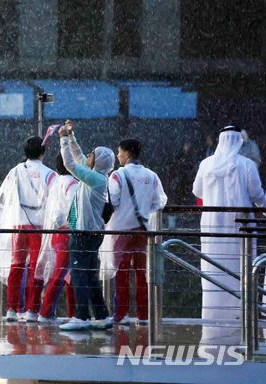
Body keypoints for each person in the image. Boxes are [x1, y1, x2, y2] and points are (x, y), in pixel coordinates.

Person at [193, 125, 266, 322]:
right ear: (239, 141)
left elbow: (197, 191)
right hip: (240, 225)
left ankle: (214, 312)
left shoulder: (206, 164)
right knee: (241, 266)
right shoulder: (247, 164)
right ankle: (240, 311)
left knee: (214, 267)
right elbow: (257, 195)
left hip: (212, 224)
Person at [100, 139, 167, 325]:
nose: (118, 156)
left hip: (120, 231)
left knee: (121, 274)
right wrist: (143, 211)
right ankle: (143, 316)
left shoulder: (117, 176)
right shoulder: (151, 176)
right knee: (142, 274)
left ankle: (121, 315)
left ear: (127, 154)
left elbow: (112, 200)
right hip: (143, 231)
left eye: (119, 152)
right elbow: (160, 202)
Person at [57, 120, 114, 331]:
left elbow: (70, 164)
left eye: (92, 155)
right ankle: (101, 315)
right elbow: (79, 157)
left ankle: (81, 316)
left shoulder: (95, 180)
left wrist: (62, 139)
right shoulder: (97, 177)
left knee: (80, 273)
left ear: (97, 161)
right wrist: (71, 137)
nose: (87, 156)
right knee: (89, 274)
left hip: (83, 233)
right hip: (91, 233)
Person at [0, 136, 56, 322]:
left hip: (18, 226)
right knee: (37, 268)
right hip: (40, 228)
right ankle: (32, 310)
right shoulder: (50, 174)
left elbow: (1, 198)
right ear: (43, 152)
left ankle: (11, 309)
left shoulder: (15, 171)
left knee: (16, 266)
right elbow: (56, 202)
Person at [35, 153, 77, 324]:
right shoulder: (73, 184)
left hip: (56, 234)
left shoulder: (56, 182)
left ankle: (72, 313)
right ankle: (46, 312)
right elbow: (74, 210)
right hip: (67, 233)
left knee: (66, 275)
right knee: (61, 275)